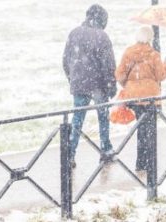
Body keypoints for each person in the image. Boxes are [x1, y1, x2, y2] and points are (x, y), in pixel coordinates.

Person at [63, 4, 117, 156]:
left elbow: (66, 60)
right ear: (102, 20)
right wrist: (111, 85)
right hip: (98, 85)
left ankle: (70, 153)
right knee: (103, 117)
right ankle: (106, 149)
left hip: (79, 84)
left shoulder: (74, 33)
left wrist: (72, 78)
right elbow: (108, 65)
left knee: (77, 119)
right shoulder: (102, 36)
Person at [116, 26, 166, 172]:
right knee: (150, 130)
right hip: (151, 97)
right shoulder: (154, 54)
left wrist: (129, 86)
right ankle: (150, 163)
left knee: (141, 129)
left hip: (134, 98)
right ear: (150, 38)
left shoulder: (129, 52)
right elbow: (160, 76)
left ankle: (140, 163)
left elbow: (119, 74)